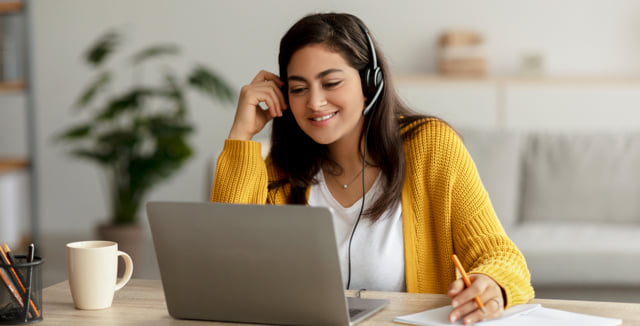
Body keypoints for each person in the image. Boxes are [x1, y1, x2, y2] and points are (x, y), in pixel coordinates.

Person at [211, 12, 534, 325]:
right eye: (298, 88)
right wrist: (241, 135)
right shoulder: (282, 170)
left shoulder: (431, 146)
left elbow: (502, 257)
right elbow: (224, 268)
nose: (314, 102)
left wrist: (490, 283)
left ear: (371, 83)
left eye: (331, 82)